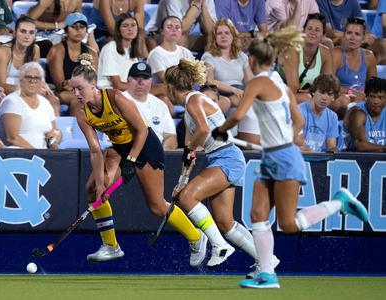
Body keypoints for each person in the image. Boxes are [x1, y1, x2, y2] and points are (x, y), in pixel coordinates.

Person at [211, 27, 369, 288]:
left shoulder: (258, 82)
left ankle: (339, 203)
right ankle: (268, 273)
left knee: (289, 224)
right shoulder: (281, 85)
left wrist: (221, 131)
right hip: (276, 155)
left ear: (251, 59)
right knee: (258, 214)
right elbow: (298, 120)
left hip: (282, 157)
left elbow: (239, 115)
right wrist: (283, 137)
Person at [70, 58, 209, 266]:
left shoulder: (115, 98)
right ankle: (111, 246)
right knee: (92, 189)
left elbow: (142, 130)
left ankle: (197, 237)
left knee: (157, 206)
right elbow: (95, 150)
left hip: (145, 145)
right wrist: (101, 185)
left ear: (93, 85)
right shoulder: (82, 113)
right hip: (120, 147)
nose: (76, 94)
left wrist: (131, 160)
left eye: (80, 88)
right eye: (73, 89)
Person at [165, 58, 282, 275]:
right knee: (224, 222)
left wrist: (190, 147)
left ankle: (220, 246)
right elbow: (190, 152)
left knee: (188, 199)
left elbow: (199, 132)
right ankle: (266, 261)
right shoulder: (190, 107)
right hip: (222, 158)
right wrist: (181, 181)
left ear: (171, 87)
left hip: (227, 157)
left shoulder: (193, 100)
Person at [201, 18, 259, 145]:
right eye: (220, 33)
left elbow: (250, 82)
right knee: (226, 102)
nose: (223, 36)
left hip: (239, 92)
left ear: (233, 36)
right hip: (218, 91)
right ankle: (214, 137)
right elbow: (209, 80)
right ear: (214, 37)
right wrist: (233, 89)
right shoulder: (208, 56)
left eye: (227, 33)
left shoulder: (242, 56)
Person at [0, 62, 61, 149]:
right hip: (19, 154)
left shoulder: (45, 103)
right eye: (28, 77)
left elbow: (54, 131)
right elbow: (12, 138)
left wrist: (53, 142)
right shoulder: (11, 102)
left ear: (42, 82)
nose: (32, 81)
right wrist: (38, 153)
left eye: (37, 78)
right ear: (20, 79)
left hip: (43, 155)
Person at [46, 13, 99, 113]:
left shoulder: (91, 52)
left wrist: (72, 83)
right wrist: (80, 85)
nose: (78, 30)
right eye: (74, 27)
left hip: (83, 91)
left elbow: (92, 82)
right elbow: (60, 85)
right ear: (66, 30)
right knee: (78, 100)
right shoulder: (57, 50)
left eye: (82, 27)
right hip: (59, 92)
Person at [123, 62, 177, 149]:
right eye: (136, 78)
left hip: (156, 154)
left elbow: (171, 137)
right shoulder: (118, 102)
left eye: (145, 78)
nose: (140, 82)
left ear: (151, 81)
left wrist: (160, 155)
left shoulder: (160, 105)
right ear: (128, 80)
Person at [332, 16, 378, 117]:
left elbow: (373, 86)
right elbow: (329, 84)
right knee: (343, 101)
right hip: (341, 98)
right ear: (344, 35)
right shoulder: (336, 53)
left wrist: (364, 94)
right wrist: (351, 92)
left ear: (363, 38)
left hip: (362, 98)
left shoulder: (369, 56)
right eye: (349, 33)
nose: (352, 37)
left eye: (357, 34)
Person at [294, 13, 334, 103]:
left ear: (323, 35)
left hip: (312, 95)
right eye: (309, 29)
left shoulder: (325, 53)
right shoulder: (294, 49)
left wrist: (311, 91)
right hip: (289, 94)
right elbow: (293, 88)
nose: (312, 32)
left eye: (317, 30)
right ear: (303, 31)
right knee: (308, 99)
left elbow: (328, 83)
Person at [146, 0, 215, 52]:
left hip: (186, 35)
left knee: (214, 38)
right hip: (156, 36)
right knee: (180, 36)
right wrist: (196, 5)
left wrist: (203, 6)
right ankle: (181, 69)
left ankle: (207, 68)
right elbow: (180, 29)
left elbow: (211, 30)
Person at [96, 13, 143, 90]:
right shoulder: (110, 48)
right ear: (118, 30)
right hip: (109, 92)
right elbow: (118, 85)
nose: (130, 29)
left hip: (127, 91)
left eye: (133, 25)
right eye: (125, 26)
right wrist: (142, 88)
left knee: (162, 95)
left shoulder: (132, 49)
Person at [297, 74, 340, 152]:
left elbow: (331, 147)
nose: (324, 98)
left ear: (334, 97)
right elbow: (297, 147)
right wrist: (314, 154)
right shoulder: (298, 111)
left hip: (320, 161)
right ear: (313, 92)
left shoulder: (333, 117)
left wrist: (334, 151)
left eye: (329, 94)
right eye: (321, 92)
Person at [343, 76, 386, 152]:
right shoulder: (357, 113)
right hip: (354, 160)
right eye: (372, 96)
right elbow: (361, 145)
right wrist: (384, 148)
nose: (376, 101)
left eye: (380, 97)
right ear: (366, 96)